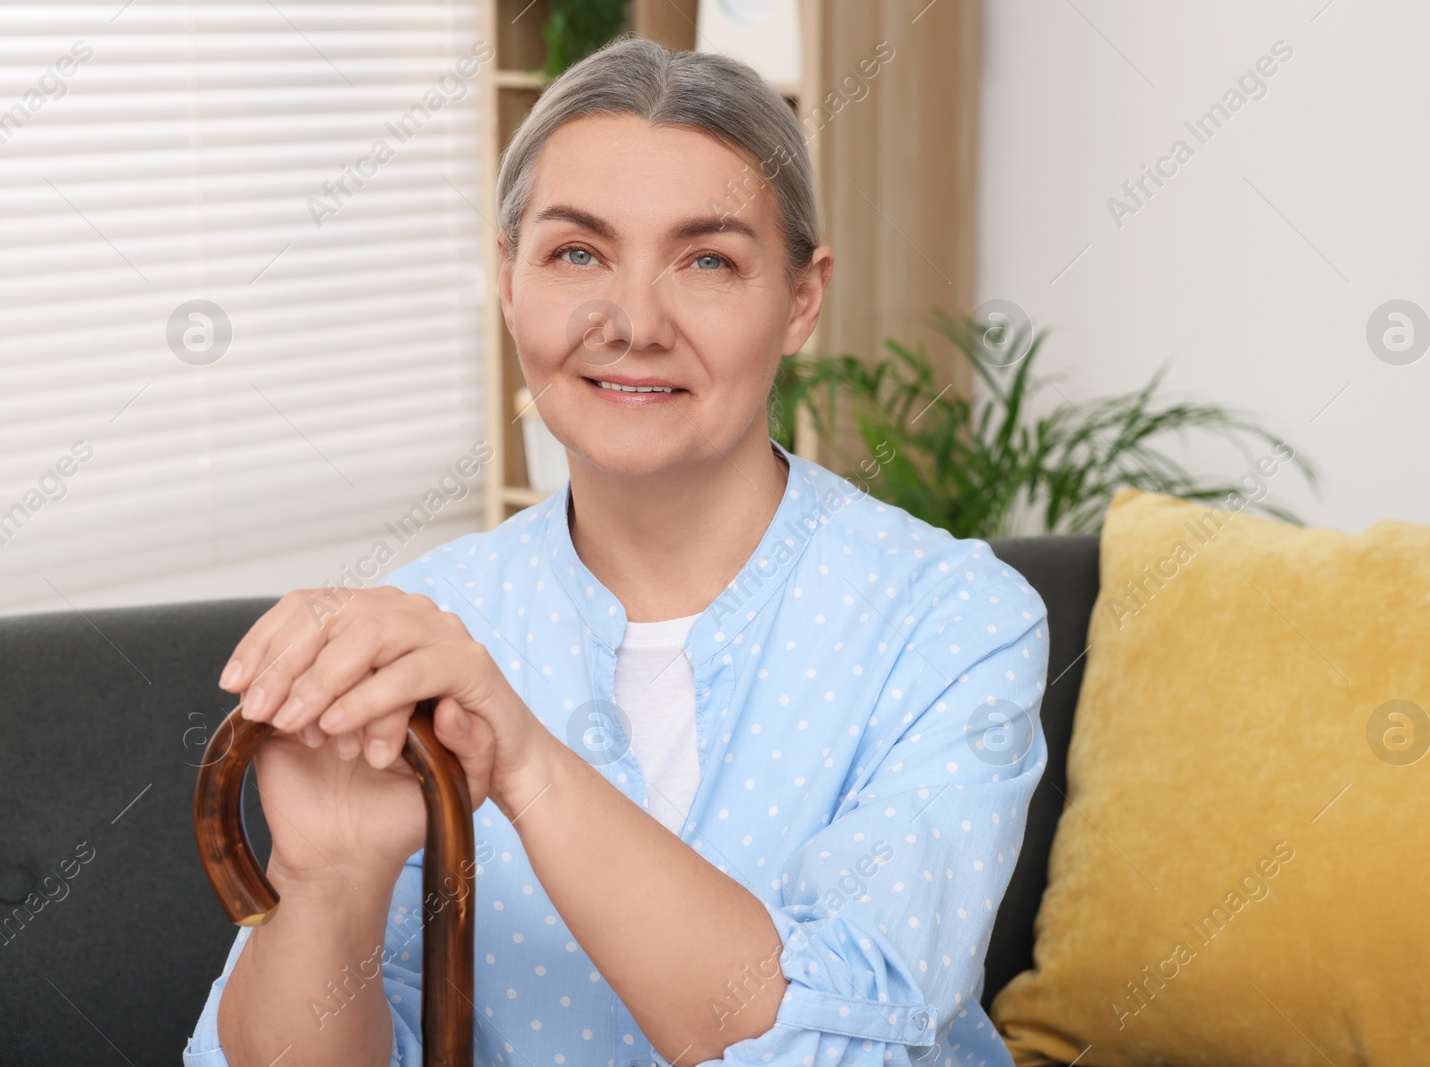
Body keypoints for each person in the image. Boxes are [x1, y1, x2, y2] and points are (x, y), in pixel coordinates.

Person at [183, 32, 1049, 1067]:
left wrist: (529, 762)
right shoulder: (421, 631)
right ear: (509, 279)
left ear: (801, 300)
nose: (633, 321)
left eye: (709, 260)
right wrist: (329, 880)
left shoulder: (951, 620)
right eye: (577, 252)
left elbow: (851, 1043)